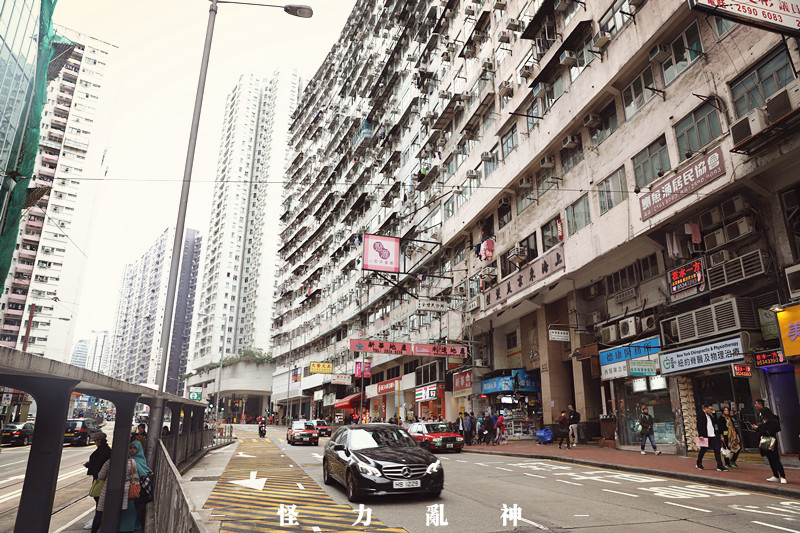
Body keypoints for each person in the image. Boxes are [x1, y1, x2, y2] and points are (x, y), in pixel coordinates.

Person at [91, 446, 138, 533]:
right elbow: (134, 471)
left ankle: (94, 531)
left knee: (100, 512)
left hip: (108, 489)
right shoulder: (131, 462)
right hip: (125, 489)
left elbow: (100, 475)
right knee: (119, 512)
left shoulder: (109, 462)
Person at [122, 440, 152, 532]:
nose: (132, 450)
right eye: (131, 448)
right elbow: (144, 471)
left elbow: (143, 471)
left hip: (135, 487)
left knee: (132, 508)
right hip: (131, 486)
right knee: (130, 508)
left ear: (139, 449)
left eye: (135, 448)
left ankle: (132, 526)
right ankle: (129, 526)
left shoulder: (137, 460)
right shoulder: (130, 460)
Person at [83, 432, 111, 530]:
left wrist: (89, 465)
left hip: (100, 480)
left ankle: (97, 524)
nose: (95, 443)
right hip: (103, 479)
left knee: (99, 502)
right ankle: (97, 520)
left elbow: (98, 466)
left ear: (99, 441)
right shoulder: (107, 450)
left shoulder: (101, 452)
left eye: (95, 441)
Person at [752, 407, 786, 483]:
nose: (761, 415)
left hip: (771, 442)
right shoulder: (764, 421)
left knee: (776, 459)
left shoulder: (772, 422)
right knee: (770, 460)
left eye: (762, 414)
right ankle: (775, 475)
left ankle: (783, 476)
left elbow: (769, 432)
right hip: (764, 442)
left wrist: (757, 428)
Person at [696, 403, 728, 471]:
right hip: (705, 436)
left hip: (712, 435)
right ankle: (699, 463)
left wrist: (714, 414)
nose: (711, 410)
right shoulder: (701, 415)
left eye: (712, 409)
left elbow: (716, 422)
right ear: (705, 408)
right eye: (710, 409)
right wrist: (701, 435)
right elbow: (699, 425)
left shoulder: (710, 416)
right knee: (703, 450)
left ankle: (720, 466)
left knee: (717, 450)